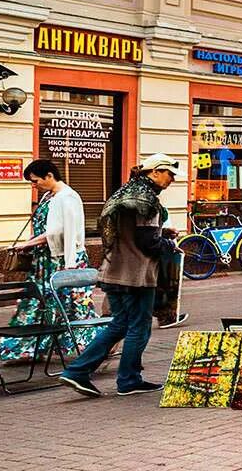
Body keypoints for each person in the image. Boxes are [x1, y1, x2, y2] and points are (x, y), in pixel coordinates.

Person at [58, 155, 179, 397]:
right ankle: (128, 380)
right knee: (139, 327)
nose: (172, 179)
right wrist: (168, 243)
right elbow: (147, 242)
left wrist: (161, 231)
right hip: (137, 274)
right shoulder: (148, 200)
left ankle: (77, 371)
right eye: (169, 174)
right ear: (154, 172)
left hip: (113, 270)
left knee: (119, 324)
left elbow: (130, 231)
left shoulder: (124, 194)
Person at [0, 160, 98, 364]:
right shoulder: (48, 196)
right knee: (37, 302)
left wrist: (26, 245)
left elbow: (59, 232)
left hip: (63, 260)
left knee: (72, 305)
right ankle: (27, 348)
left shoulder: (67, 197)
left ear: (49, 176)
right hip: (45, 261)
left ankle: (100, 343)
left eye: (35, 181)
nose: (33, 186)